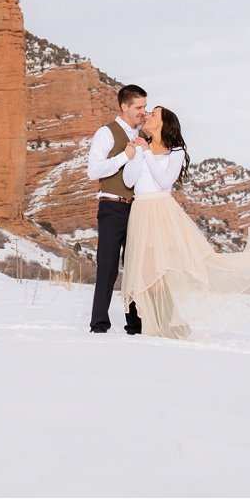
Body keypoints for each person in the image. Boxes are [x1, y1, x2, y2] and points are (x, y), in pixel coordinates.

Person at [120, 106, 250, 339]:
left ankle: (169, 327)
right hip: (141, 211)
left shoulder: (173, 152)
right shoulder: (140, 144)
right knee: (145, 274)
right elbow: (129, 180)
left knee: (157, 272)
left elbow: (165, 183)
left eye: (154, 114)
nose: (148, 116)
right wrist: (136, 153)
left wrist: (146, 153)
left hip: (161, 212)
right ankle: (163, 326)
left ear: (164, 124)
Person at [86, 84, 149, 334]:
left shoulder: (144, 134)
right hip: (112, 206)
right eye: (138, 107)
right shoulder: (106, 133)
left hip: (137, 209)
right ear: (124, 107)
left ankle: (135, 324)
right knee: (108, 266)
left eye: (145, 106)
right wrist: (125, 155)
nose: (143, 111)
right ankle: (99, 324)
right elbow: (94, 171)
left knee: (135, 266)